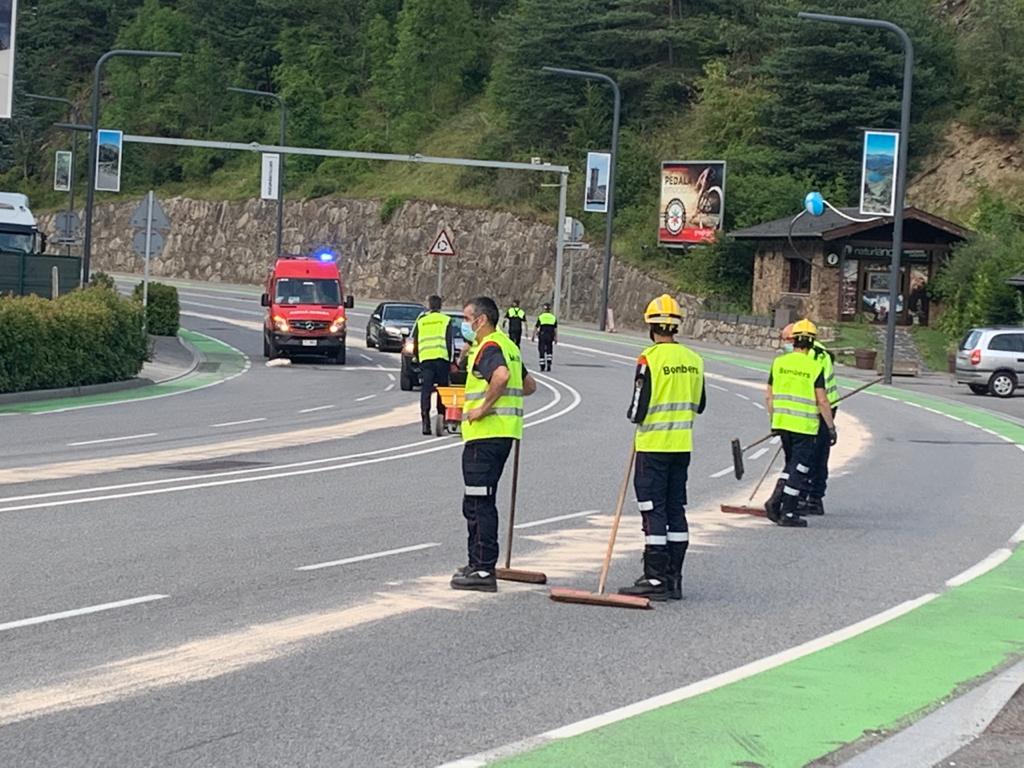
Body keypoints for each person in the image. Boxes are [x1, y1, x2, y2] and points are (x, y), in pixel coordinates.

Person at [619, 294, 706, 601]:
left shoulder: (649, 359)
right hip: (682, 447)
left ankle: (654, 578)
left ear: (651, 327)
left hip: (653, 446)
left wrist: (632, 415)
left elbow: (637, 410)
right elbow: (700, 404)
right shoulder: (694, 360)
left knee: (652, 509)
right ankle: (673, 577)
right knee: (674, 508)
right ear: (676, 326)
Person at [450, 296, 537, 592]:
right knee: (480, 500)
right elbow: (529, 385)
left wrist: (483, 408)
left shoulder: (489, 347)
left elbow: (501, 376)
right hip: (504, 434)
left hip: (485, 435)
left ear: (481, 320)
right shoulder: (508, 346)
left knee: (478, 503)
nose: (464, 324)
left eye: (467, 318)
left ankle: (483, 569)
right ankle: (476, 562)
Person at [763, 319, 837, 528]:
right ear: (811, 342)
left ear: (794, 340)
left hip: (782, 424)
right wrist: (830, 428)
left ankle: (777, 500)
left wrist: (774, 420)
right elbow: (822, 400)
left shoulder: (779, 363)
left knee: (791, 464)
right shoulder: (814, 366)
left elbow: (769, 396)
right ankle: (787, 511)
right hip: (804, 427)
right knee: (800, 467)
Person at [802, 333, 839, 515]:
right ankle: (803, 495)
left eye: (787, 340)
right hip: (814, 408)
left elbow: (819, 393)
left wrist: (830, 426)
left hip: (823, 410)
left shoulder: (817, 355)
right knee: (806, 454)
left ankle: (814, 498)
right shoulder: (811, 353)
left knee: (816, 455)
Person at [412, 295, 455, 436]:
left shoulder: (421, 321)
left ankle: (426, 423)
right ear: (440, 306)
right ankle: (441, 416)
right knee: (443, 389)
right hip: (442, 359)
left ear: (429, 305)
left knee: (426, 390)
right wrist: (451, 361)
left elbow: (416, 342)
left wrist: (418, 358)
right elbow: (449, 342)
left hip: (426, 359)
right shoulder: (446, 320)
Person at [533, 303, 558, 372]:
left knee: (541, 349)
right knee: (549, 349)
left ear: (544, 309)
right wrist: (556, 337)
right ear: (550, 309)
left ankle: (542, 365)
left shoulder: (541, 316)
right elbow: (555, 328)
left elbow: (536, 326)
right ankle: (549, 363)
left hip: (542, 335)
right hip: (550, 335)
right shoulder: (553, 317)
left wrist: (533, 335)